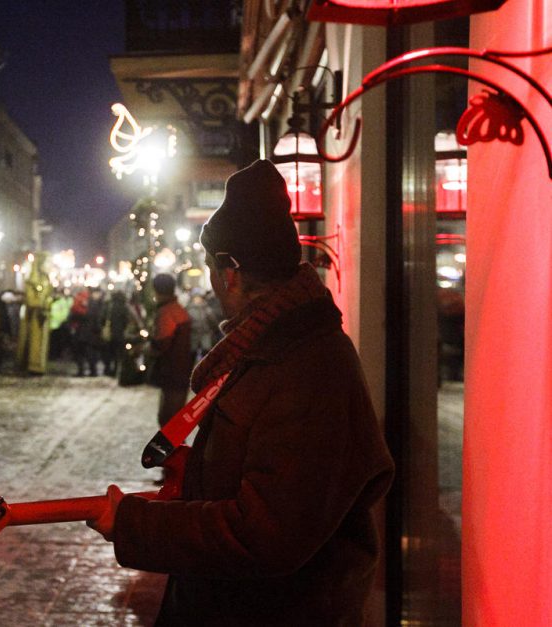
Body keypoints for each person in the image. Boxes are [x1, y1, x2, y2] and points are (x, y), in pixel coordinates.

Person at [87, 159, 395, 625]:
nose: (211, 285)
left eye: (211, 269)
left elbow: (266, 532)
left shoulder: (305, 363)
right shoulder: (275, 349)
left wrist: (135, 526)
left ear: (229, 271)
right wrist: (200, 471)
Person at [146, 274, 192, 428]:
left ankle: (177, 452)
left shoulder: (167, 312)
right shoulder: (178, 308)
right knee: (173, 422)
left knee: (169, 423)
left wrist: (148, 347)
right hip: (180, 371)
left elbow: (162, 344)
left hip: (173, 372)